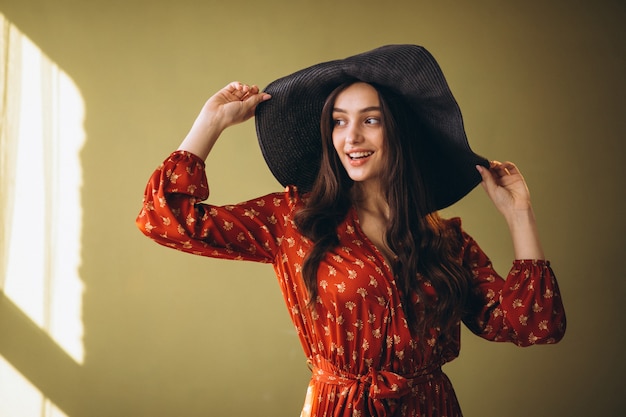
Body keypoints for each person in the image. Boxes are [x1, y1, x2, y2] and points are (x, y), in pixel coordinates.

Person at [136, 45, 566, 417]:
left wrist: (519, 214)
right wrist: (210, 122)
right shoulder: (293, 219)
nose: (351, 137)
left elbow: (534, 324)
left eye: (370, 120)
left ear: (399, 131)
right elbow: (165, 219)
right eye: (339, 121)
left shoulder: (445, 240)